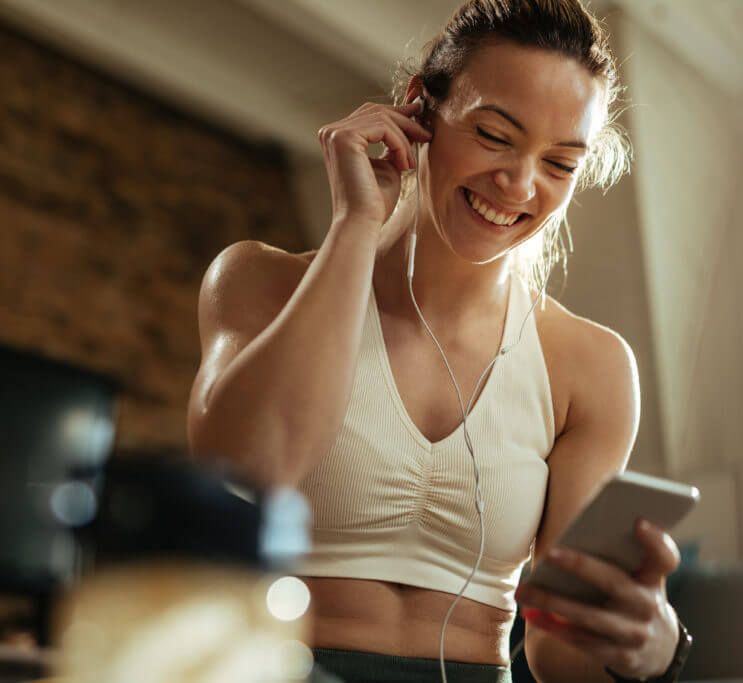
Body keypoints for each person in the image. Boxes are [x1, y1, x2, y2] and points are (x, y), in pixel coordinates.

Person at [186, 1, 686, 681]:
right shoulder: (257, 280)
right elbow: (246, 471)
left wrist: (651, 644)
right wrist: (356, 224)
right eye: (493, 134)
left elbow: (561, 658)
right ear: (419, 106)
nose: (519, 183)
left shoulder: (590, 366)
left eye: (560, 164)